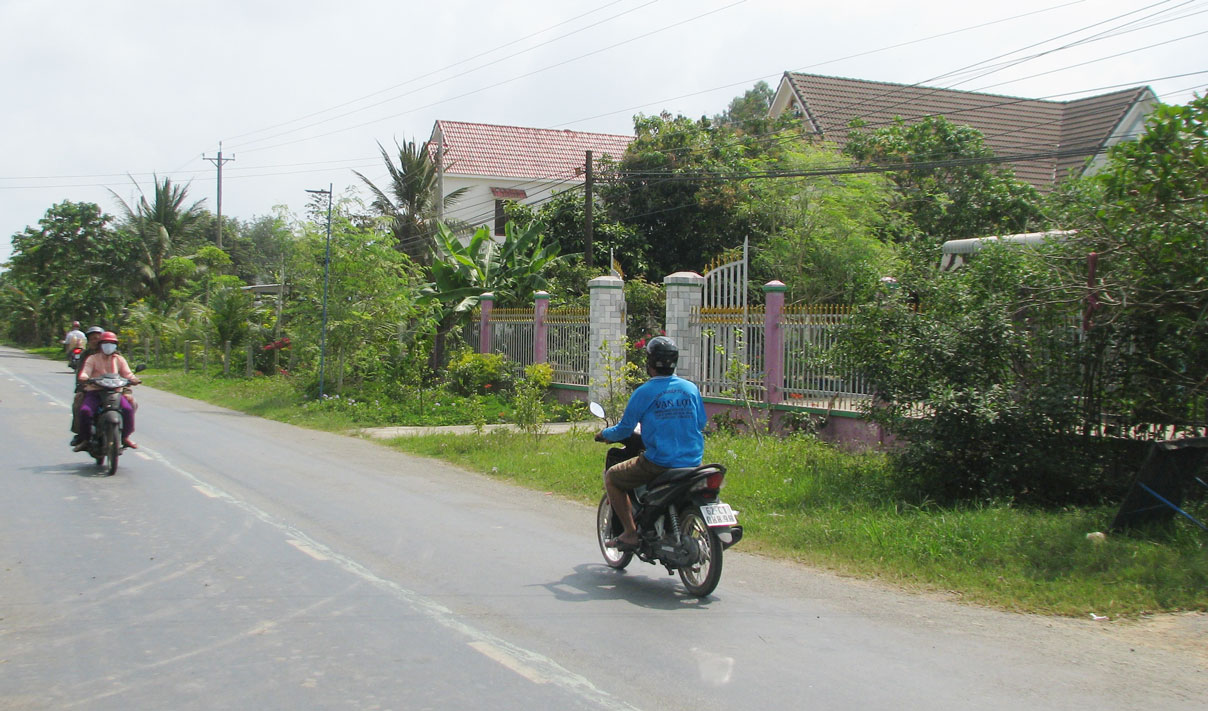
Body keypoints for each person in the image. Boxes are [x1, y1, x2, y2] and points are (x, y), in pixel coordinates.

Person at [595, 336, 708, 551]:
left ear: (649, 362)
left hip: (660, 462)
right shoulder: (690, 389)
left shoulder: (644, 392)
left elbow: (624, 430)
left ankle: (629, 533)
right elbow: (701, 422)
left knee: (612, 477)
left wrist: (604, 434)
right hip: (694, 461)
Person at [74, 331, 140, 451]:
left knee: (127, 409)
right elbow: (85, 371)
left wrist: (133, 379)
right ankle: (85, 439)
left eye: (112, 343)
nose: (108, 346)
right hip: (95, 392)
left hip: (115, 392)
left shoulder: (119, 359)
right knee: (85, 411)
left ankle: (125, 437)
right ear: (100, 345)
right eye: (105, 343)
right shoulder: (92, 358)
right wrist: (84, 377)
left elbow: (127, 373)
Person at [69, 326, 106, 447]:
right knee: (78, 405)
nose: (95, 341)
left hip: (111, 387)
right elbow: (80, 373)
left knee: (129, 404)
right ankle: (81, 434)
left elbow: (123, 373)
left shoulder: (113, 353)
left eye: (97, 338)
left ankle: (122, 433)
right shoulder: (86, 355)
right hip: (91, 387)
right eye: (92, 339)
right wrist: (80, 389)